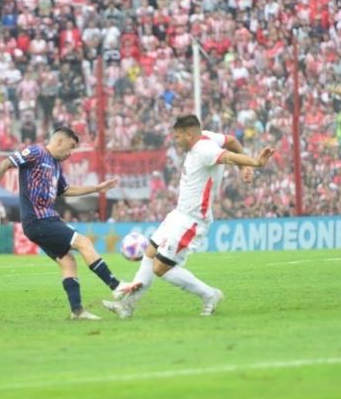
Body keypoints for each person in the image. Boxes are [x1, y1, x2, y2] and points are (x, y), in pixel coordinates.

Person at [103, 115, 274, 318]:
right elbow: (231, 140)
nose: (176, 141)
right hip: (178, 213)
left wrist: (254, 163)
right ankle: (128, 306)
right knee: (150, 252)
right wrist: (243, 168)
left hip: (193, 220)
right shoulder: (209, 137)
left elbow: (228, 155)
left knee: (160, 267)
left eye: (177, 137)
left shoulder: (205, 149)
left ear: (189, 134)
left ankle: (209, 295)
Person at [0, 126, 136, 320]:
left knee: (68, 261)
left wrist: (96, 188)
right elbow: (5, 163)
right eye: (70, 147)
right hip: (39, 219)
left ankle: (77, 311)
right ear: (60, 141)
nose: (70, 153)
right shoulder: (36, 152)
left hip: (45, 219)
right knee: (83, 243)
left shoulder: (55, 165)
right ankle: (116, 286)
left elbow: (66, 190)